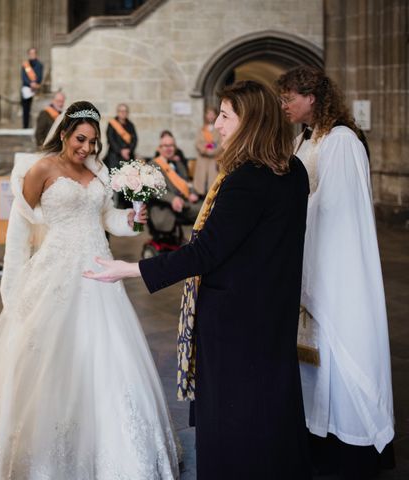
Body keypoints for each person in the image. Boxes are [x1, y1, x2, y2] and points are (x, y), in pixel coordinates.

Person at [84, 80, 311, 480]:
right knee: (271, 401)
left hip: (235, 316)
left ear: (251, 121)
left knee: (232, 412)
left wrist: (132, 269)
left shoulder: (244, 179)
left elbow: (206, 251)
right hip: (274, 306)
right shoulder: (294, 170)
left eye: (225, 116)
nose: (217, 126)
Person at [0, 100, 180, 479]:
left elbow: (108, 220)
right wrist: (14, 288)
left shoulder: (98, 174)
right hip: (56, 271)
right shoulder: (40, 169)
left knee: (107, 355)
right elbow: (19, 235)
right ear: (65, 133)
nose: (86, 148)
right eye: (80, 139)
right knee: (49, 356)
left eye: (93, 142)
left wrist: (133, 219)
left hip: (99, 268)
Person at [278, 65, 395, 478]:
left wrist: (284, 212)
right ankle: (319, 437)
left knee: (340, 351)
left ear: (313, 97)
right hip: (311, 256)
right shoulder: (306, 139)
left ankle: (352, 444)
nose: (284, 103)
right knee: (315, 359)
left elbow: (334, 207)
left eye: (290, 96)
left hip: (334, 266)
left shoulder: (342, 141)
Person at [150, 130, 200, 232]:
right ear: (159, 148)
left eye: (171, 145)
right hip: (166, 206)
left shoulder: (179, 163)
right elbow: (154, 190)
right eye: (165, 146)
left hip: (186, 202)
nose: (169, 148)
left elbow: (188, 182)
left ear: (175, 148)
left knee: (210, 210)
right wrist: (172, 199)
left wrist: (192, 193)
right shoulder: (152, 165)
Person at [193, 106, 221, 195]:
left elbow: (221, 143)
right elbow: (198, 143)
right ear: (206, 115)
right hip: (203, 158)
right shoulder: (201, 129)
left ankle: (211, 195)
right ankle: (199, 194)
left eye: (213, 114)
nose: (211, 116)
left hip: (214, 159)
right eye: (209, 114)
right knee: (201, 179)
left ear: (216, 115)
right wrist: (205, 150)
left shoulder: (219, 130)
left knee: (212, 180)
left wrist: (212, 151)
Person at [104, 103, 138, 171]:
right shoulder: (112, 124)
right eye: (121, 111)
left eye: (125, 111)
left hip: (128, 156)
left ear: (127, 113)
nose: (123, 113)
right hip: (114, 156)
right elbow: (111, 139)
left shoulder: (131, 125)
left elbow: (134, 139)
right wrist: (120, 151)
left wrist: (129, 150)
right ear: (117, 112)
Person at [20, 47, 43, 129]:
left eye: (34, 53)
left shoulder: (40, 65)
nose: (32, 55)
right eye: (30, 53)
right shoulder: (25, 65)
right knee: (25, 109)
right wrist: (30, 84)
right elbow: (23, 77)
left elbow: (40, 77)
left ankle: (36, 127)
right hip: (26, 89)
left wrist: (35, 84)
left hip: (36, 89)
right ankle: (25, 126)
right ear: (28, 54)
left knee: (35, 109)